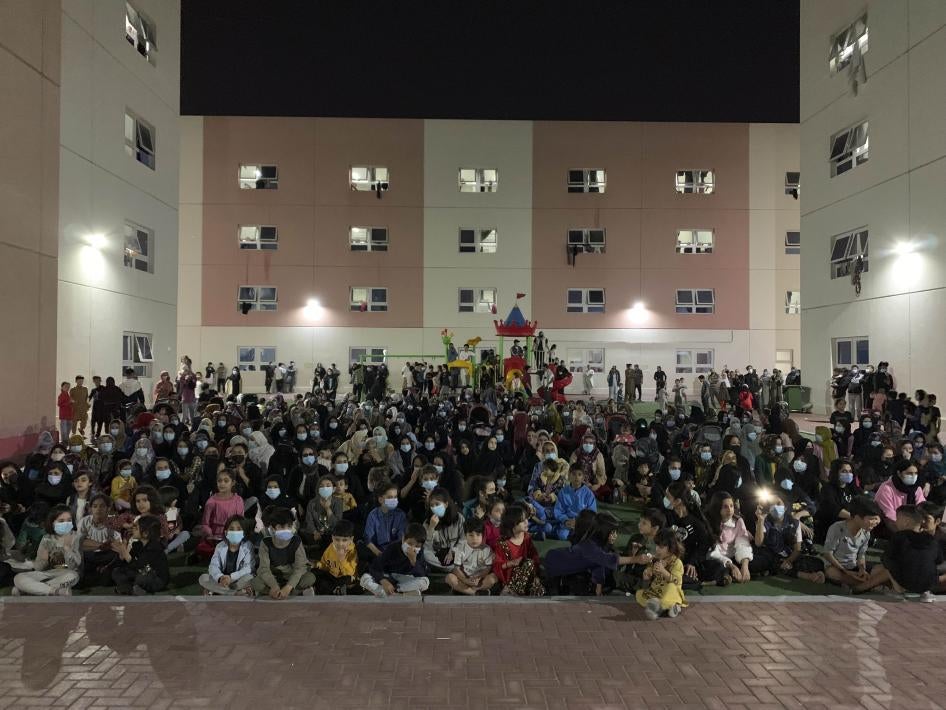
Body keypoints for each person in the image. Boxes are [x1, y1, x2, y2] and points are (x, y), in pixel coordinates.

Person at [854, 505, 943, 600]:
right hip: (929, 583)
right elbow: (939, 560)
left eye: (897, 519)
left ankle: (898, 590)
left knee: (888, 563)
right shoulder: (931, 539)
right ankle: (925, 593)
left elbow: (886, 558)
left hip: (906, 582)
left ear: (906, 522)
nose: (895, 522)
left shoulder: (899, 537)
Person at [749, 492, 825, 584]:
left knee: (819, 563)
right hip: (771, 557)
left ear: (785, 507)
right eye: (772, 505)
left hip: (790, 556)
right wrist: (760, 520)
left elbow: (797, 549)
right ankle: (809, 576)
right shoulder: (765, 521)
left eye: (778, 504)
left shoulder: (794, 522)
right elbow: (758, 543)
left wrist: (788, 561)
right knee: (767, 563)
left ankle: (775, 570)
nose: (775, 507)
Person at [12, 505, 81, 596]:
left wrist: (67, 548)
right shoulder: (47, 538)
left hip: (66, 573)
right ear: (52, 523)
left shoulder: (76, 537)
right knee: (18, 578)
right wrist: (32, 563)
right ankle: (55, 591)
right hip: (48, 574)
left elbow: (76, 564)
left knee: (73, 576)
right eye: (61, 521)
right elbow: (40, 567)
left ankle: (28, 590)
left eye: (69, 520)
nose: (66, 523)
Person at [252, 506, 316, 598]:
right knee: (256, 582)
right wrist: (274, 586)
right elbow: (264, 569)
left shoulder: (296, 541)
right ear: (273, 528)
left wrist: (288, 586)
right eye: (281, 526)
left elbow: (300, 568)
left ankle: (285, 592)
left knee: (310, 578)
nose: (286, 529)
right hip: (274, 576)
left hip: (291, 575)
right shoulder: (266, 543)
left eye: (289, 526)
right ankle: (279, 592)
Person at [822, 496, 882, 587]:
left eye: (876, 519)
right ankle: (865, 584)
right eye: (871, 519)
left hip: (854, 567)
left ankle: (863, 582)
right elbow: (828, 554)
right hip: (837, 567)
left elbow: (861, 555)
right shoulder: (837, 528)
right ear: (857, 517)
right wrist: (845, 571)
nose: (875, 522)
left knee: (880, 570)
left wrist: (862, 569)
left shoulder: (866, 533)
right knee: (832, 573)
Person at [360, 522, 430, 597]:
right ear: (403, 539)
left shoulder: (419, 552)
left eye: (417, 546)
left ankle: (393, 593)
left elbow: (422, 574)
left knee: (425, 582)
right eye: (409, 544)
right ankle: (401, 595)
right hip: (389, 576)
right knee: (365, 578)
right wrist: (383, 580)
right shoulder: (392, 547)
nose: (412, 548)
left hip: (405, 581)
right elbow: (375, 567)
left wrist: (413, 561)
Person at [492, 504, 544, 596]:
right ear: (513, 525)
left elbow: (534, 557)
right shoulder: (503, 543)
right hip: (510, 579)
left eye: (526, 519)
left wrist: (536, 576)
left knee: (539, 590)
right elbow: (497, 566)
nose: (526, 522)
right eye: (522, 521)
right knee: (528, 563)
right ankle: (511, 590)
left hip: (528, 576)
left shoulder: (527, 538)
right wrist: (511, 563)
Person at [111, 515, 170, 595]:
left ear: (145, 533)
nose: (133, 529)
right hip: (141, 572)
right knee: (117, 571)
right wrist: (121, 555)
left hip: (156, 578)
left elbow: (140, 565)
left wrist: (125, 554)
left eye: (136, 528)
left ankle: (131, 588)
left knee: (142, 578)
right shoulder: (137, 545)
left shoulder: (154, 547)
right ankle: (130, 588)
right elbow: (129, 565)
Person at [636, 528, 687, 620]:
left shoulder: (677, 563)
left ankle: (663, 607)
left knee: (671, 589)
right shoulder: (656, 560)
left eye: (661, 547)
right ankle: (666, 608)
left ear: (671, 548)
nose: (657, 549)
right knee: (641, 594)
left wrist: (663, 571)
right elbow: (647, 583)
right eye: (657, 546)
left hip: (670, 592)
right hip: (656, 592)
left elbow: (677, 581)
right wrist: (646, 576)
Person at [199, 515, 256, 596]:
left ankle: (216, 591)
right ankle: (235, 593)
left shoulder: (248, 546)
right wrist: (220, 577)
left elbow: (248, 568)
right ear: (226, 532)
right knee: (203, 578)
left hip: (237, 581)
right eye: (232, 529)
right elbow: (213, 566)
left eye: (239, 529)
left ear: (243, 533)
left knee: (250, 578)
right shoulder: (220, 546)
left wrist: (231, 577)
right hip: (222, 581)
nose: (235, 532)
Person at [705, 491, 753, 583]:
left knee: (755, 560)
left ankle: (732, 573)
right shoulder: (708, 522)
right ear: (717, 508)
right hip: (718, 559)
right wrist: (731, 566)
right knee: (715, 567)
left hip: (735, 557)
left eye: (731, 506)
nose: (730, 510)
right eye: (725, 507)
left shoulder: (738, 520)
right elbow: (712, 553)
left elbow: (743, 544)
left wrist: (745, 566)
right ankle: (727, 574)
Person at [445, 517, 497, 595]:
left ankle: (468, 590)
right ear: (465, 536)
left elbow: (488, 568)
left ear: (483, 536)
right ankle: (473, 592)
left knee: (493, 578)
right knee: (449, 578)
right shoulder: (461, 548)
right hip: (464, 578)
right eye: (471, 535)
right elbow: (456, 568)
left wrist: (478, 578)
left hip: (479, 580)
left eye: (478, 535)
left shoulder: (487, 549)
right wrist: (466, 580)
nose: (475, 539)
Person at [874, 459, 926, 533]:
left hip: (913, 527)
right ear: (899, 473)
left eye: (916, 473)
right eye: (909, 473)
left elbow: (921, 507)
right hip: (890, 528)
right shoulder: (886, 488)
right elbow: (889, 516)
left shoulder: (916, 488)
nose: (913, 476)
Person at [362, 480, 407, 559]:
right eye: (390, 497)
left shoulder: (401, 515)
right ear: (380, 499)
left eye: (395, 497)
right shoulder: (373, 515)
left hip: (396, 551)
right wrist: (379, 554)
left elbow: (401, 538)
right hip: (377, 550)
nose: (394, 500)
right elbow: (367, 539)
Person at [313, 520, 359, 595]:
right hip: (332, 575)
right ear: (332, 538)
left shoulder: (352, 552)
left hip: (345, 577)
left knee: (347, 579)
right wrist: (319, 565)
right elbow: (324, 564)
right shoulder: (330, 548)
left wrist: (342, 560)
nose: (340, 544)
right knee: (315, 572)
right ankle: (335, 590)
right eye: (337, 540)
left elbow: (350, 573)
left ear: (351, 539)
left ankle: (335, 589)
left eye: (344, 540)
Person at [552, 464, 598, 540]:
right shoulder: (563, 492)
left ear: (583, 477)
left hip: (582, 524)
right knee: (562, 536)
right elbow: (558, 510)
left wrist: (578, 522)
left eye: (579, 475)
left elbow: (592, 513)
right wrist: (566, 521)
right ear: (569, 476)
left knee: (586, 537)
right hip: (568, 522)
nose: (576, 477)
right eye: (573, 474)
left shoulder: (588, 494)